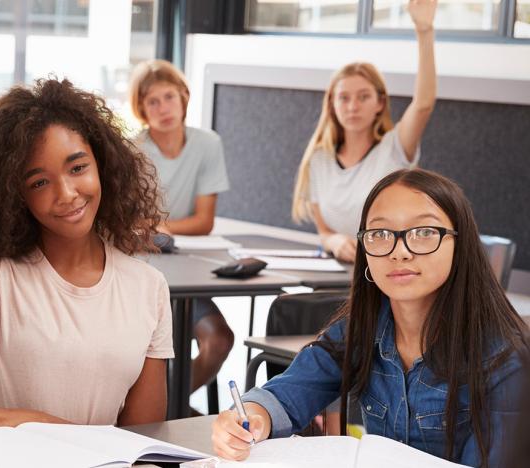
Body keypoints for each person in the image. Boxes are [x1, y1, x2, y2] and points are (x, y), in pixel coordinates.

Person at [0, 0, 172, 432]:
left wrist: (36, 422)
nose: (67, 194)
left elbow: (143, 443)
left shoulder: (148, 289)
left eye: (78, 168)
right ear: (14, 194)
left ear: (105, 166)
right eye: (39, 182)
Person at [213, 169, 528, 467]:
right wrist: (252, 416)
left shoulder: (503, 358)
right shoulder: (361, 331)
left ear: (460, 246)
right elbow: (288, 394)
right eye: (380, 233)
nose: (399, 251)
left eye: (423, 232)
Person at [292, 0, 439, 263]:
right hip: (339, 275)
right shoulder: (319, 159)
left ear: (380, 103)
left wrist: (424, 31)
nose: (353, 106)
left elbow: (424, 104)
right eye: (344, 98)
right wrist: (334, 241)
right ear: (332, 105)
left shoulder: (394, 148)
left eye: (363, 97)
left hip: (390, 269)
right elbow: (324, 231)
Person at [128, 59, 234, 405]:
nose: (163, 109)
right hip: (141, 275)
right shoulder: (133, 149)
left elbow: (204, 222)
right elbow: (132, 226)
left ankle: (169, 406)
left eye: (169, 97)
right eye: (152, 102)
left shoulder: (207, 144)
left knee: (219, 340)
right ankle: (160, 408)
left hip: (186, 270)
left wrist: (158, 226)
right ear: (141, 109)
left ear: (184, 97)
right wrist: (153, 228)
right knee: (143, 353)